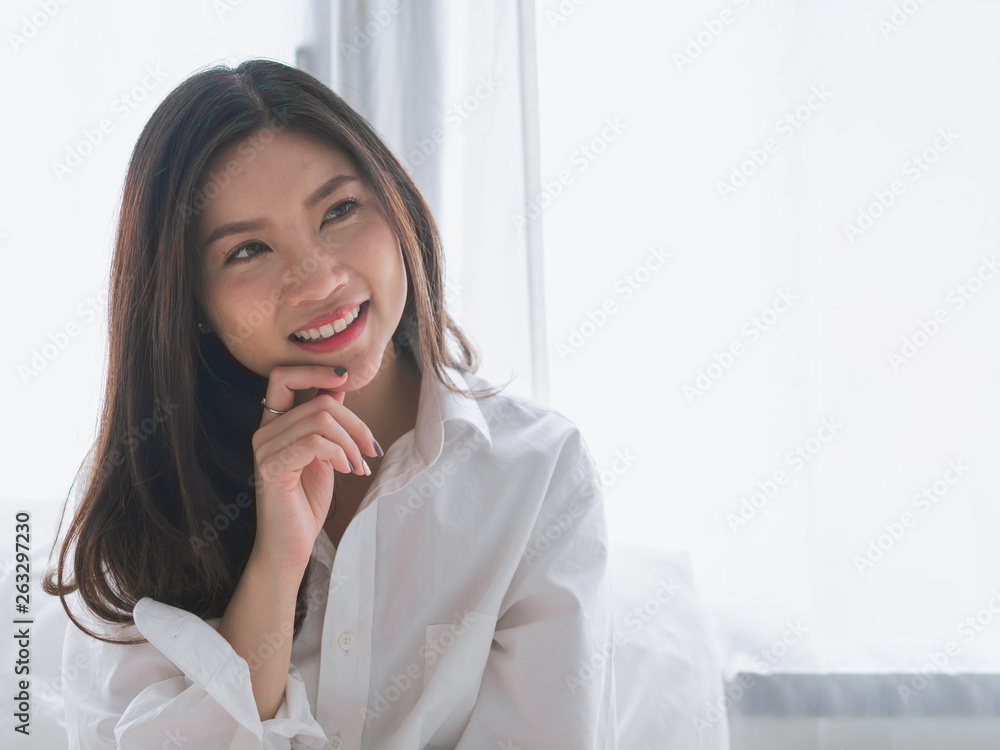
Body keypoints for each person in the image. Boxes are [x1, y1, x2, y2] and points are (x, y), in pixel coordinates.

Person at [43, 58, 617, 749]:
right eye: (249, 250)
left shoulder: (537, 474)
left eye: (340, 211)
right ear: (189, 303)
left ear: (396, 203)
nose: (318, 279)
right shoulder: (143, 498)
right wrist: (275, 568)